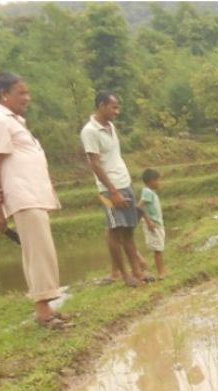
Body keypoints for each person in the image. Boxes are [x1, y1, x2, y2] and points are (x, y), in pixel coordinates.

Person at [0, 72, 67, 328]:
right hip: (23, 196)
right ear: (3, 95)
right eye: (21, 93)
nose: (27, 98)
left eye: (27, 93)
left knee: (39, 251)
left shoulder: (12, 121)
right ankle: (43, 312)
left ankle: (46, 307)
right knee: (38, 252)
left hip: (33, 195)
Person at [80, 91, 149, 287]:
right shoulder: (90, 131)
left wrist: (122, 186)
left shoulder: (110, 126)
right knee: (114, 231)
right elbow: (94, 163)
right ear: (101, 106)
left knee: (128, 230)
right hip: (109, 189)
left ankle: (138, 271)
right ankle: (125, 275)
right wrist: (113, 191)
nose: (117, 112)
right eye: (114, 107)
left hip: (124, 182)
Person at [138, 169, 166, 279]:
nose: (159, 182)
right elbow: (139, 207)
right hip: (153, 224)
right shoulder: (147, 192)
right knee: (158, 249)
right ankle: (161, 273)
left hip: (156, 224)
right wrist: (148, 221)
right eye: (158, 180)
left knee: (159, 248)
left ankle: (162, 270)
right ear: (151, 181)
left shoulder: (150, 193)